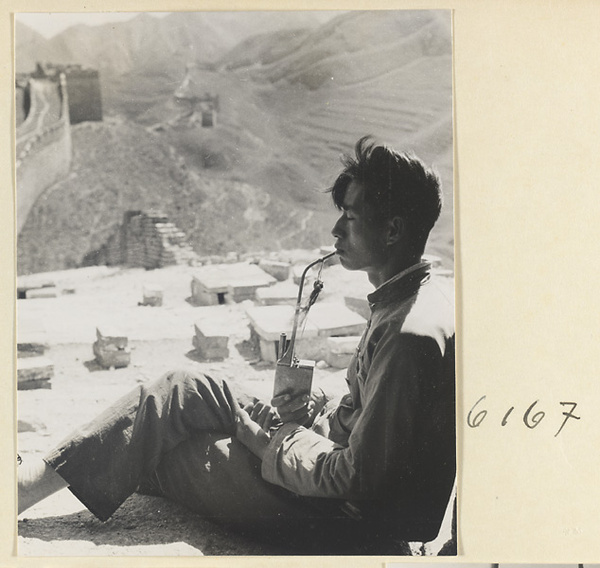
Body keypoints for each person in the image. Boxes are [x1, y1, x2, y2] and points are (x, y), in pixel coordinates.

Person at [18, 137, 456, 555]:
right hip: (319, 463)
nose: (336, 229)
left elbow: (358, 479)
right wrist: (316, 411)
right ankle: (28, 482)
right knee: (185, 386)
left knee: (165, 447)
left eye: (352, 217)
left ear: (393, 230)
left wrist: (271, 444)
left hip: (344, 518)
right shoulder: (409, 300)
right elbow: (375, 422)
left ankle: (25, 486)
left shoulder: (406, 335)